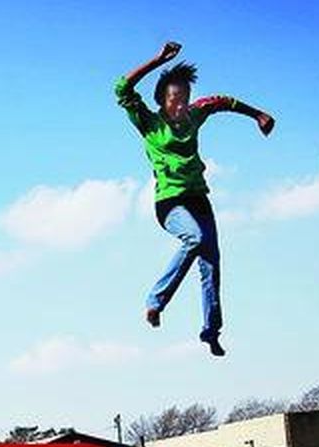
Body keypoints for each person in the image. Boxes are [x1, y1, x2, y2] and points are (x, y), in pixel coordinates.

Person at [116, 41, 275, 357]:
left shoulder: (194, 115)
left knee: (211, 264)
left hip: (199, 199)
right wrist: (158, 60)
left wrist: (258, 114)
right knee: (195, 238)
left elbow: (223, 102)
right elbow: (122, 88)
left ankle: (211, 332)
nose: (181, 104)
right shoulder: (149, 122)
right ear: (162, 98)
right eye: (175, 99)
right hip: (171, 203)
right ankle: (155, 301)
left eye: (185, 99)